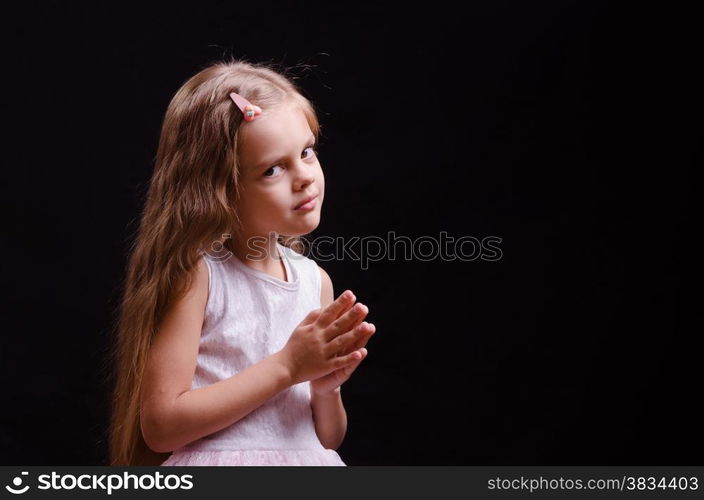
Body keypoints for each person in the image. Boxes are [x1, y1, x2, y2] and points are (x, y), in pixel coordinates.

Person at [108, 59, 377, 466]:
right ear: (221, 190)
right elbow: (161, 426)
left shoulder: (314, 281)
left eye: (306, 152)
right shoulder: (202, 276)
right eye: (272, 169)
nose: (304, 177)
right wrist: (286, 367)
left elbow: (326, 439)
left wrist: (325, 389)